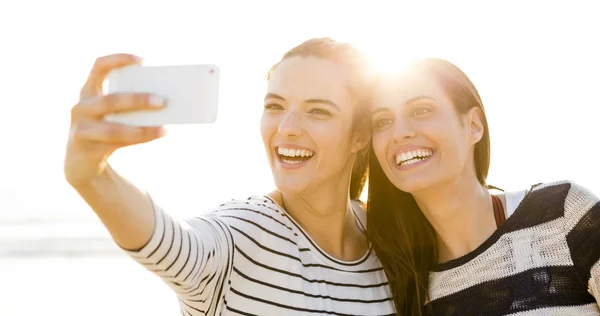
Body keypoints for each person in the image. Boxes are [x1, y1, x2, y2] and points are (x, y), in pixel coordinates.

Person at [63, 38, 396, 315]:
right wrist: (92, 177)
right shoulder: (242, 237)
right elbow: (176, 244)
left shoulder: (390, 240)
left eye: (318, 111)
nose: (286, 128)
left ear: (359, 136)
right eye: (275, 106)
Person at [366, 58, 600, 315]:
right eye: (382, 121)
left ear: (474, 125)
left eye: (421, 110)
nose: (399, 132)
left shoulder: (562, 214)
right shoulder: (401, 286)